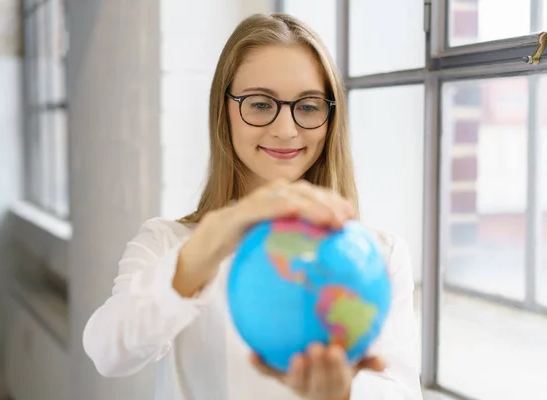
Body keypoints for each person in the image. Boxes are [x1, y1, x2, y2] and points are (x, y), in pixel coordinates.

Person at [83, 12, 423, 400]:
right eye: (260, 104)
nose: (285, 129)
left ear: (332, 118)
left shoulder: (378, 256)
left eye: (309, 106)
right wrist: (211, 243)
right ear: (223, 110)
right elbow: (106, 353)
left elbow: (399, 392)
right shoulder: (170, 243)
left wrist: (344, 395)